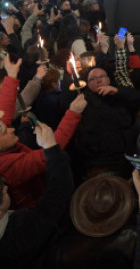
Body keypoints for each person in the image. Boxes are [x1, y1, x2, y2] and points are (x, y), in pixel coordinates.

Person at [0, 54, 86, 209]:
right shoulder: (8, 166)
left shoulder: (2, 143)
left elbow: (3, 113)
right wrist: (73, 113)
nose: (12, 128)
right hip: (37, 203)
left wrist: (11, 78)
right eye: (5, 133)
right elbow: (51, 151)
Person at [0, 123, 75, 268]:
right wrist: (51, 147)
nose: (7, 188)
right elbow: (59, 192)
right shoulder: (22, 228)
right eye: (3, 192)